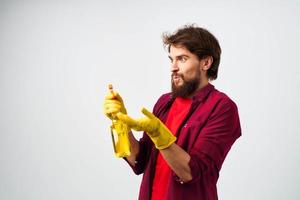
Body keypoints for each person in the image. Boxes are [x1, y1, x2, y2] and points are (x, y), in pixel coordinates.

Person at [103, 24, 241, 200]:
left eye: (182, 59)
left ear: (206, 63)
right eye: (171, 59)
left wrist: (159, 133)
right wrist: (119, 122)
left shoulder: (222, 107)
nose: (173, 67)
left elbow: (191, 173)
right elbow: (139, 161)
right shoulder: (164, 102)